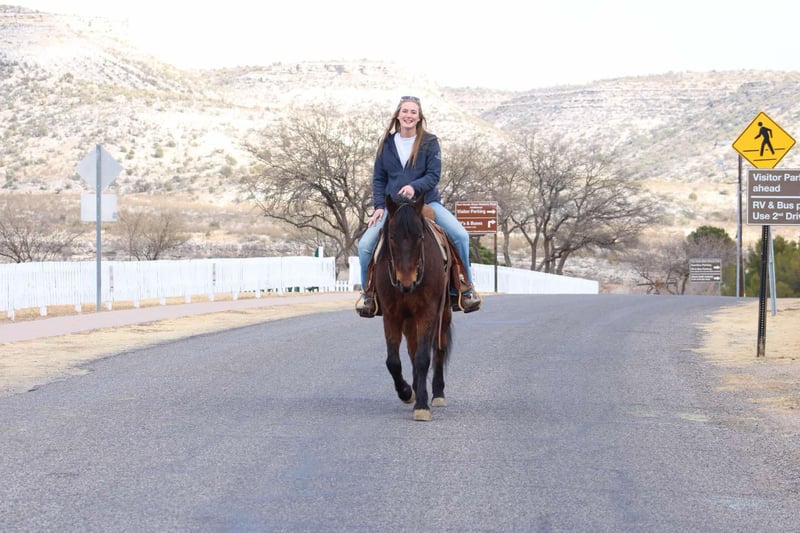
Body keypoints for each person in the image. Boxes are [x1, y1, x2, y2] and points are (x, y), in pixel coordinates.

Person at [355, 95, 481, 317]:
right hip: (394, 207)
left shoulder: (429, 142)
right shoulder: (386, 143)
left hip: (426, 203)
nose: (409, 115)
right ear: (398, 115)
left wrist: (414, 187)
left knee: (461, 236)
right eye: (405, 111)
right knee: (365, 245)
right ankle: (368, 295)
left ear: (419, 117)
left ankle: (465, 289)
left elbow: (433, 175)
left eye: (413, 112)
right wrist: (379, 206)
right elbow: (379, 179)